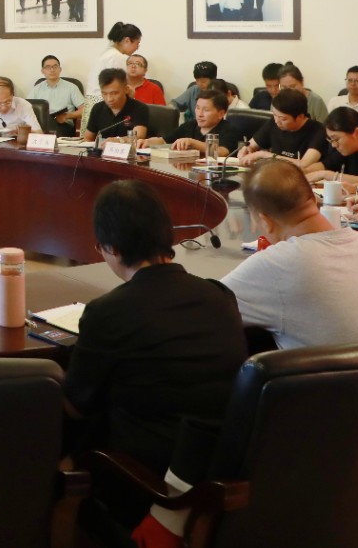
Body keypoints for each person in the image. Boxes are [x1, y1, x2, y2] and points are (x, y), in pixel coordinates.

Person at [64, 180, 247, 528]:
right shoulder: (220, 297)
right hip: (217, 477)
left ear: (111, 247)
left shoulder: (109, 312)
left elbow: (75, 406)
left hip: (148, 484)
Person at [220, 160, 358, 349]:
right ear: (314, 199)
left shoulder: (277, 264)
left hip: (338, 376)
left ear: (265, 221)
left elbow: (206, 311)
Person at [236, 88, 326, 169]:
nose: (277, 121)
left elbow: (304, 164)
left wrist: (264, 155)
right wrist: (246, 150)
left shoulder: (318, 130)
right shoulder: (274, 122)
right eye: (274, 115)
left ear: (300, 116)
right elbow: (251, 145)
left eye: (283, 119)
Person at [137, 89, 243, 156]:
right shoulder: (190, 125)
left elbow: (222, 152)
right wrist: (147, 142)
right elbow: (164, 141)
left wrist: (192, 142)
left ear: (221, 113)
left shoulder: (229, 129)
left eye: (206, 110)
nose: (199, 114)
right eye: (197, 108)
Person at [305, 108, 358, 191]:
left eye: (336, 139)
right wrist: (305, 172)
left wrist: (325, 174)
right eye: (331, 140)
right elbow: (325, 165)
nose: (334, 145)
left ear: (357, 133)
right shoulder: (349, 148)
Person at [83, 68, 150, 143]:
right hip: (103, 149)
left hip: (129, 150)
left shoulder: (139, 108)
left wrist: (118, 140)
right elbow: (88, 138)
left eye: (114, 93)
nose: (109, 99)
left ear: (126, 89)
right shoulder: (98, 108)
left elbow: (138, 136)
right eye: (104, 93)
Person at [31, 55, 86, 136]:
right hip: (42, 125)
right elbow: (26, 108)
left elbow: (84, 110)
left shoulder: (71, 87)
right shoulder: (37, 88)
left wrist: (66, 116)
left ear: (60, 69)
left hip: (63, 125)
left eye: (55, 66)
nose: (52, 70)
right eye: (48, 67)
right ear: (42, 71)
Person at [90, 22, 141, 101]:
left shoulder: (109, 53)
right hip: (104, 101)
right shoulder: (116, 57)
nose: (137, 48)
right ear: (127, 40)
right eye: (137, 43)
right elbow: (116, 86)